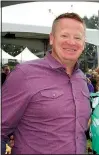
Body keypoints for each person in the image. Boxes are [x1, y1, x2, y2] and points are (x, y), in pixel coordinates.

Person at [1, 12, 91, 154]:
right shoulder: (24, 74)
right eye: (64, 35)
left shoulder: (81, 79)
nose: (71, 42)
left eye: (77, 38)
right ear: (51, 39)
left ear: (83, 44)